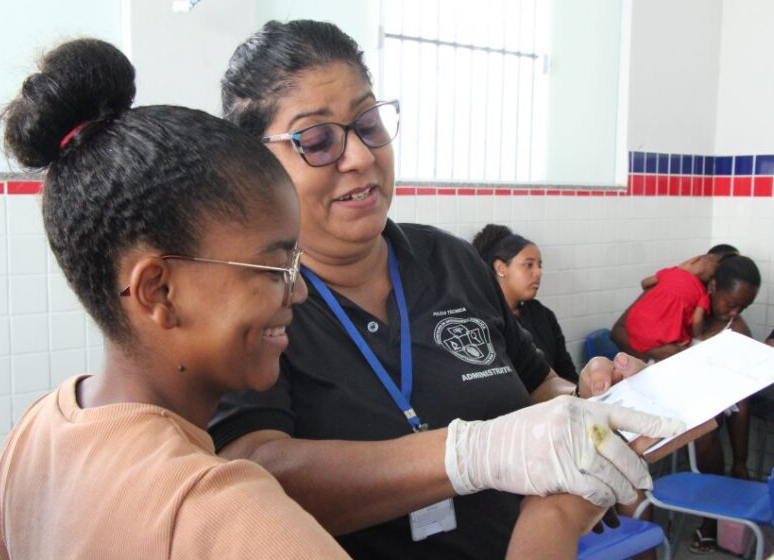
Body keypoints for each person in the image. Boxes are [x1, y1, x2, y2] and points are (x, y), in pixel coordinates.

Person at [211, 19, 682, 559]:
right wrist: (468, 455)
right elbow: (254, 471)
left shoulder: (448, 259)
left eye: (368, 124)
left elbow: (537, 386)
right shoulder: (254, 294)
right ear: (256, 165)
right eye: (317, 141)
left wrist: (588, 402)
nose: (360, 156)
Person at [0, 38, 351, 559]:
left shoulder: (40, 428)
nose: (300, 288)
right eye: (275, 266)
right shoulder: (229, 514)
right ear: (159, 291)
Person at [612, 254, 761, 554]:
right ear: (714, 286)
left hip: (702, 402)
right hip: (656, 389)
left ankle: (711, 519)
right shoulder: (676, 295)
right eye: (730, 302)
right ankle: (636, 524)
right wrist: (657, 350)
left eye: (743, 307)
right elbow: (618, 332)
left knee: (706, 428)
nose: (734, 311)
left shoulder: (737, 329)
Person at [472, 224, 578, 383]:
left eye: (539, 265)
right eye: (529, 265)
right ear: (501, 268)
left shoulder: (543, 315)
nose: (538, 272)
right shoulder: (483, 321)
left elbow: (567, 372)